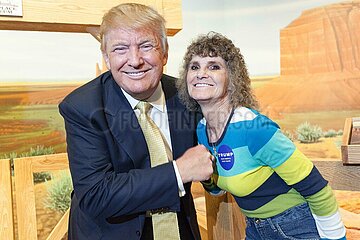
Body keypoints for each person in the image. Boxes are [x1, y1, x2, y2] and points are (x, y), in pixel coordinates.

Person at [59, 3, 214, 240]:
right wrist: (178, 172)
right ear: (107, 58)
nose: (135, 60)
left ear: (164, 52)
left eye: (146, 46)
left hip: (178, 228)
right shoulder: (82, 108)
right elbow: (96, 195)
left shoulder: (188, 95)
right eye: (120, 49)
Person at [176, 31, 347, 240]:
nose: (201, 73)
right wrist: (205, 177)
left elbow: (318, 189)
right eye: (195, 66)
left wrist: (336, 238)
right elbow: (217, 190)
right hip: (256, 228)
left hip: (295, 225)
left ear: (233, 78)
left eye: (214, 66)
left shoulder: (254, 129)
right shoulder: (202, 130)